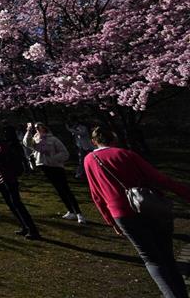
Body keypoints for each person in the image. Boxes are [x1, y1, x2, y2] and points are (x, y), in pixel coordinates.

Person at [84, 126, 190, 298]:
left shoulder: (89, 160)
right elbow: (160, 179)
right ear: (114, 139)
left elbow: (96, 194)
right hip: (150, 208)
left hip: (121, 215)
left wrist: (111, 221)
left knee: (151, 259)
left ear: (94, 141)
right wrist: (185, 193)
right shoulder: (126, 154)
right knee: (167, 257)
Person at [0, 127, 40, 240]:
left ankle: (33, 230)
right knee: (11, 205)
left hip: (8, 177)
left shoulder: (1, 144)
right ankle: (24, 227)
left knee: (17, 203)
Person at [23, 122, 86, 223]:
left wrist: (53, 159)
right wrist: (28, 130)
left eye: (39, 126)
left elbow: (65, 153)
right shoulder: (35, 139)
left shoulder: (53, 139)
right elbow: (26, 143)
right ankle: (71, 211)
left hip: (56, 167)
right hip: (44, 167)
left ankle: (79, 213)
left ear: (44, 128)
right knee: (59, 190)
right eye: (35, 127)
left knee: (66, 189)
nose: (37, 128)